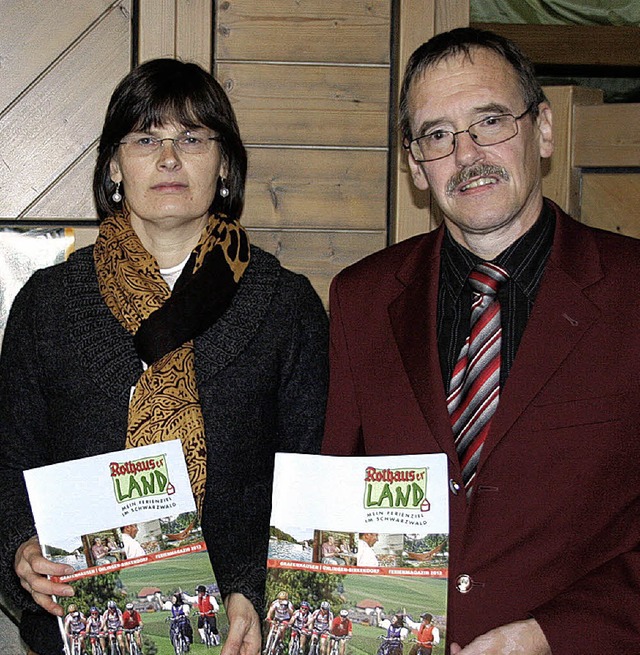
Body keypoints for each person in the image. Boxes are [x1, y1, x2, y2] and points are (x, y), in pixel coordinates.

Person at [322, 25, 640, 655]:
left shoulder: (632, 294)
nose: (467, 155)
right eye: (438, 135)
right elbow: (333, 502)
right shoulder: (361, 300)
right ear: (416, 163)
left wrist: (555, 635)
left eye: (490, 121)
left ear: (542, 129)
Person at [0, 57, 328, 655]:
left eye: (193, 138)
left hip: (235, 633)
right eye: (147, 138)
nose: (169, 158)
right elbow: (9, 461)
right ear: (114, 166)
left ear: (224, 164)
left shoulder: (287, 307)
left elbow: (306, 483)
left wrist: (253, 590)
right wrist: (20, 547)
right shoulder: (47, 307)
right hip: (80, 627)